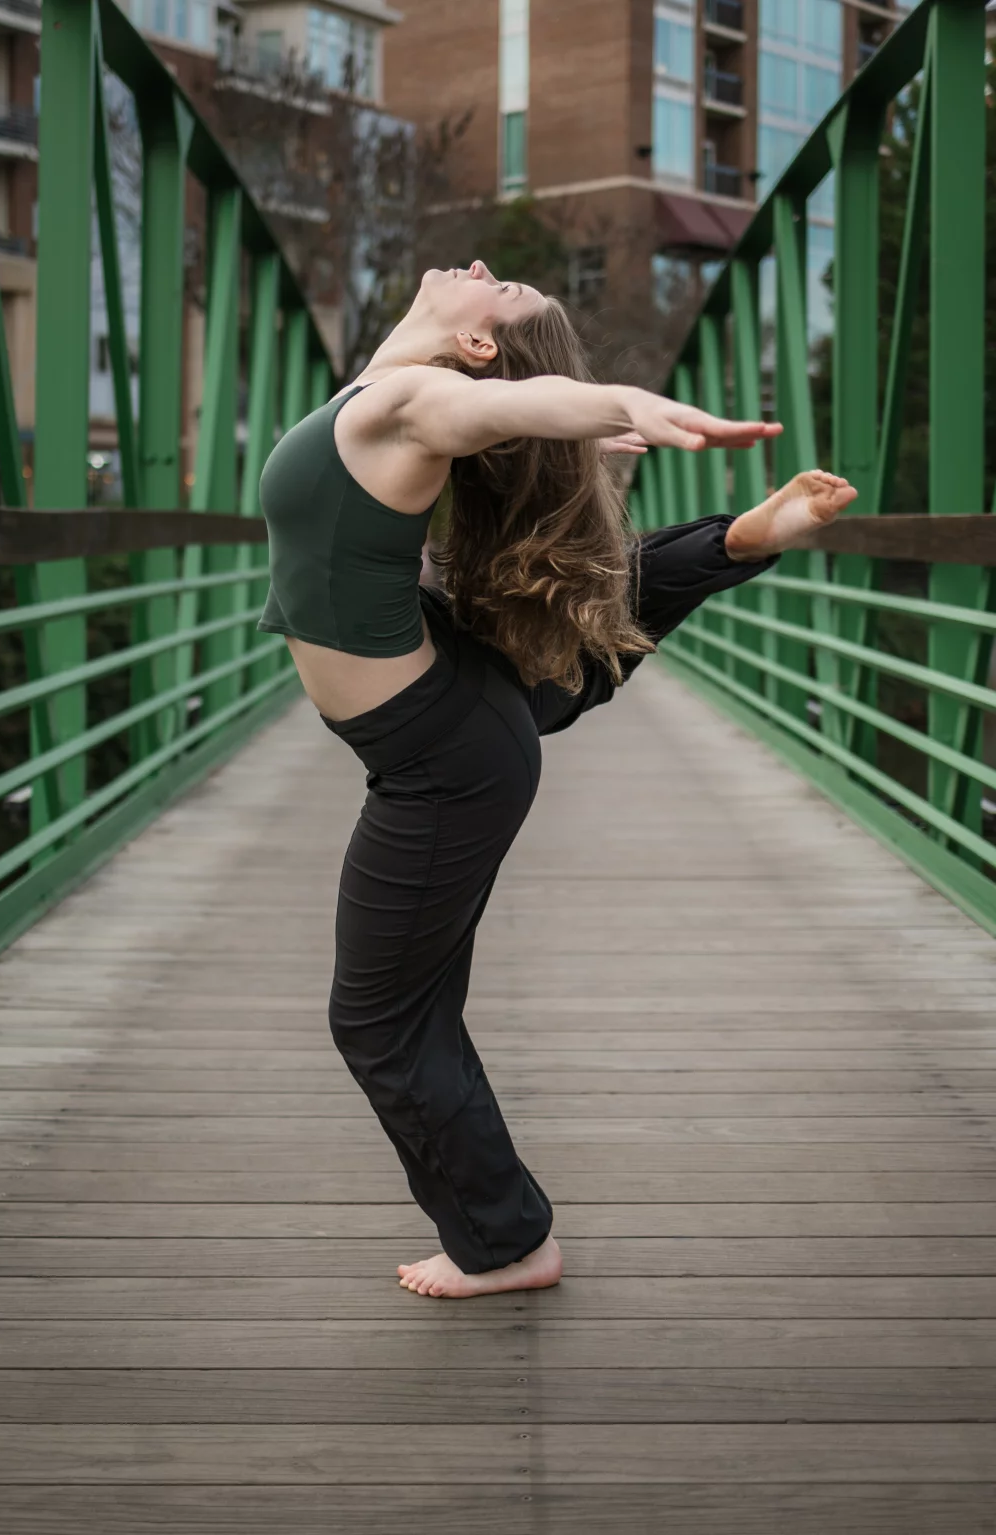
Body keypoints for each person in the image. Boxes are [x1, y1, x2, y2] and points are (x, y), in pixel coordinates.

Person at [256, 260, 857, 1300]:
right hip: (451, 715)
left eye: (506, 293)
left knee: (379, 1020)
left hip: (443, 760)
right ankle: (743, 537)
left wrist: (610, 401)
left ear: (480, 350)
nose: (486, 268)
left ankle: (506, 1241)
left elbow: (510, 399)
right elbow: (507, 412)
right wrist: (565, 430)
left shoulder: (408, 400)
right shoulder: (389, 383)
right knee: (411, 997)